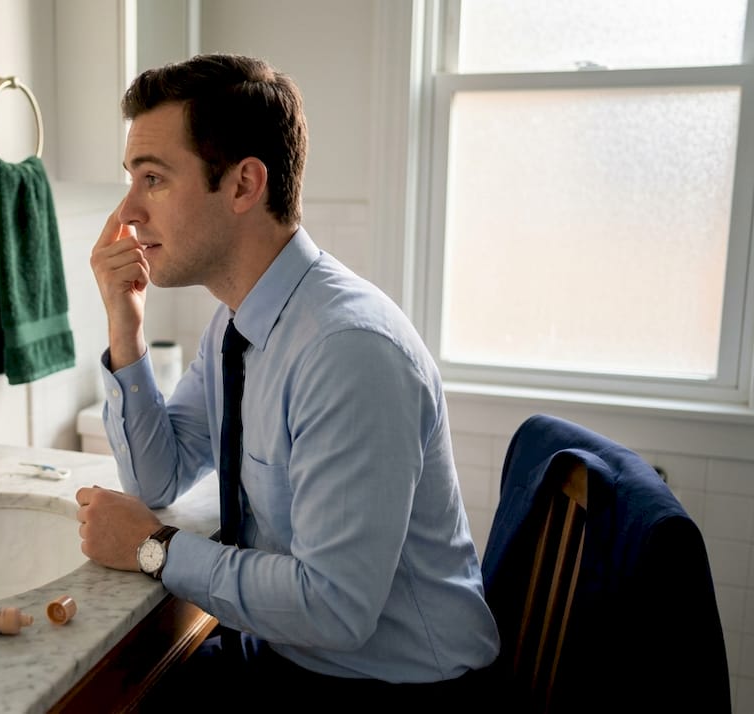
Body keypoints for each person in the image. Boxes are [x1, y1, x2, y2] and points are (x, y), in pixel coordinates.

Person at [77, 54, 500, 709]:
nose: (128, 212)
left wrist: (154, 549)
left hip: (396, 688)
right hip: (294, 656)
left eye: (153, 179)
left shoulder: (348, 352)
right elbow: (159, 479)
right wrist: (123, 329)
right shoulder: (237, 325)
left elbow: (334, 609)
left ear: (244, 184)